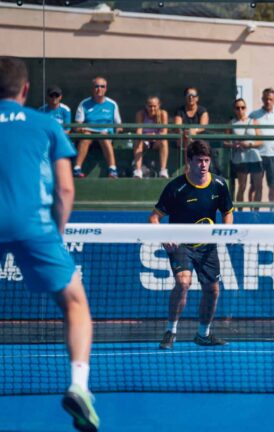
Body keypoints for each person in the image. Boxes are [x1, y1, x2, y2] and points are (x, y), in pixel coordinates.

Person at [0, 57, 99, 431]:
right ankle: (78, 385)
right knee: (75, 303)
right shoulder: (46, 124)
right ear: (25, 90)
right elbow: (66, 189)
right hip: (34, 226)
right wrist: (55, 233)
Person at [149, 140, 234, 350]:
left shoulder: (219, 184)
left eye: (206, 160)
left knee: (213, 290)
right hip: (181, 244)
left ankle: (203, 334)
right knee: (183, 283)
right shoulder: (176, 187)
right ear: (189, 161)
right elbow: (154, 218)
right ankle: (171, 331)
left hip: (207, 245)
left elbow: (227, 212)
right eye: (199, 161)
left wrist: (225, 232)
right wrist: (163, 236)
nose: (203, 165)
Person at [73, 76, 122, 178]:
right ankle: (77, 169)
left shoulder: (112, 104)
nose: (99, 89)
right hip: (89, 134)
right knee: (86, 137)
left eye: (102, 86)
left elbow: (119, 126)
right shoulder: (84, 104)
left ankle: (112, 169)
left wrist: (115, 133)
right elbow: (77, 126)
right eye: (96, 86)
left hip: (106, 135)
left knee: (103, 136)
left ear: (106, 88)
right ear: (92, 88)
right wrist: (82, 129)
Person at [248, 88, 274, 203]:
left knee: (273, 186)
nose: (268, 101)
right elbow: (248, 133)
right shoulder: (254, 115)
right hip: (257, 155)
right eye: (266, 99)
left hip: (273, 155)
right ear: (262, 99)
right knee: (255, 186)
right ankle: (253, 211)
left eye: (270, 99)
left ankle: (272, 211)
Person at [224, 98, 262, 204]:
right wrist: (233, 145)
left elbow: (261, 141)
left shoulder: (253, 121)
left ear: (246, 108)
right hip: (240, 158)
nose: (240, 110)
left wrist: (250, 144)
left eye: (242, 107)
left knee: (258, 186)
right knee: (242, 186)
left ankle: (255, 211)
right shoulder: (231, 123)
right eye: (237, 108)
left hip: (254, 157)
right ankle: (240, 210)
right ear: (234, 109)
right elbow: (225, 142)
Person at [132, 96, 169, 179]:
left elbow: (164, 132)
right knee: (137, 140)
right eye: (150, 106)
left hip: (157, 141)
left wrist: (155, 136)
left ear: (159, 105)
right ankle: (138, 171)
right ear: (146, 106)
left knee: (164, 141)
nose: (152, 109)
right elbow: (138, 132)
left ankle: (163, 171)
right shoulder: (140, 114)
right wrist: (147, 136)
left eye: (154, 106)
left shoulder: (163, 114)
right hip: (144, 141)